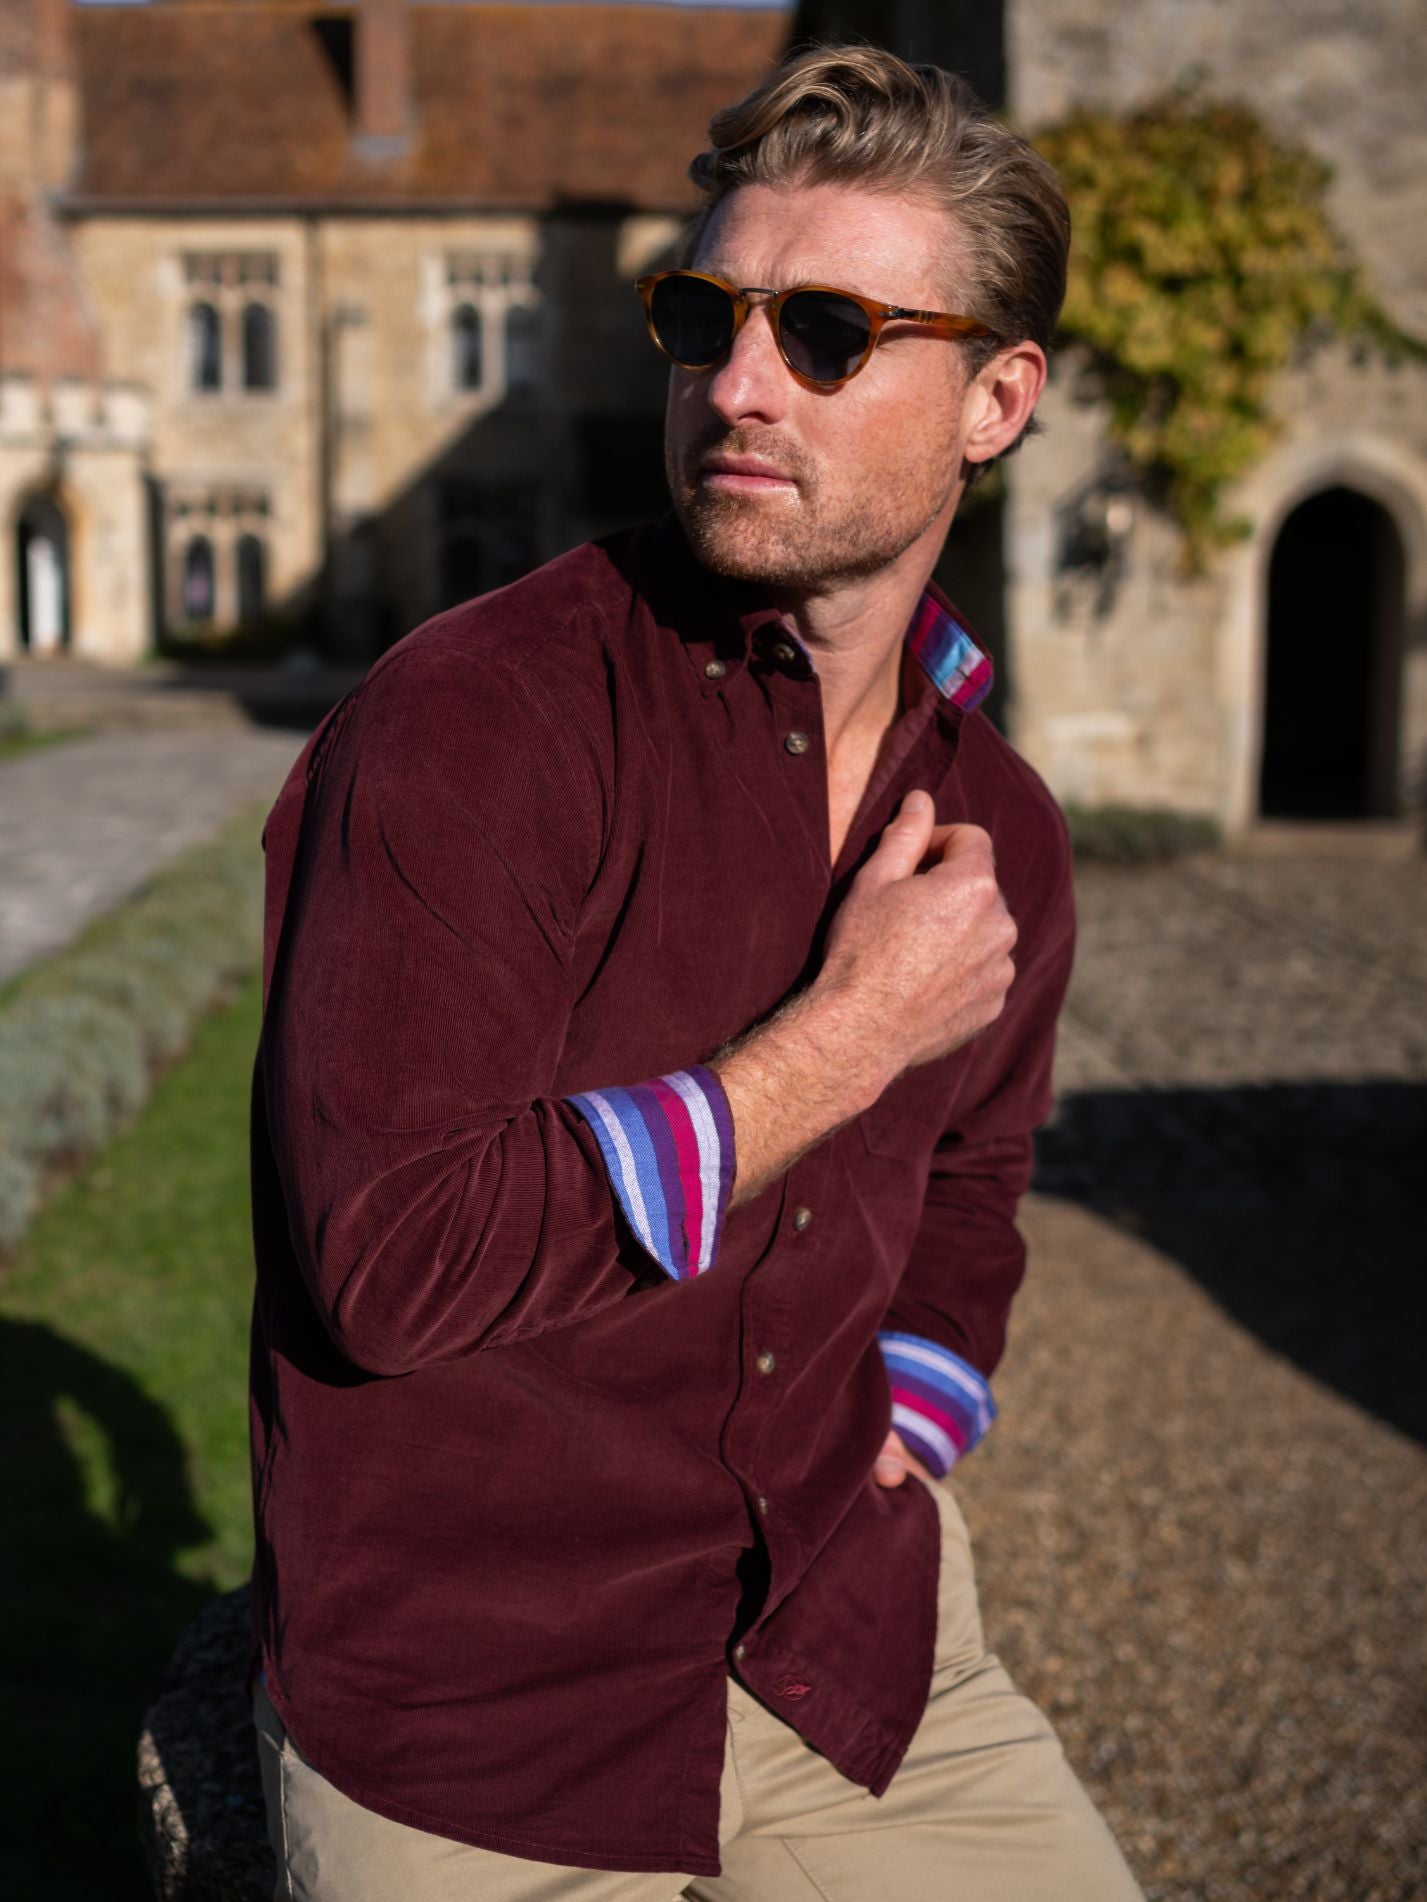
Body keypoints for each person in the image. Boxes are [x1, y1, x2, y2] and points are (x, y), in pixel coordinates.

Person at [247, 43, 1144, 1902]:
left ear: (996, 398)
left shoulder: (1001, 827)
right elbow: (388, 1259)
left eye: (826, 333)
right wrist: (842, 1039)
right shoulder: (477, 719)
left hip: (850, 1647)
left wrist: (917, 1408)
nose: (735, 383)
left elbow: (976, 1180)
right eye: (702, 316)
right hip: (483, 1709)